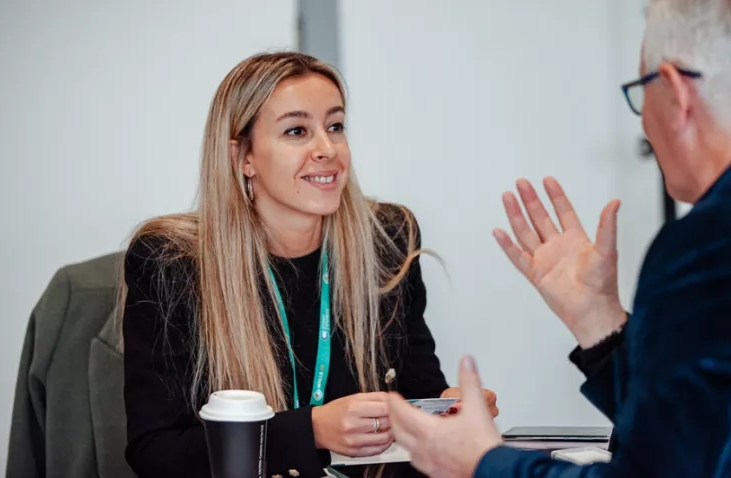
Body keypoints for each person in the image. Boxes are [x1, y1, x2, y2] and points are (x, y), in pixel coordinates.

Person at [387, 0, 731, 476]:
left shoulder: (720, 242)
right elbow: (700, 431)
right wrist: (599, 323)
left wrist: (482, 462)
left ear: (677, 92)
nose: (642, 121)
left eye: (642, 91)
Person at [119, 52, 499, 478]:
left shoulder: (387, 240)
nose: (327, 149)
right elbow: (156, 452)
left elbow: (415, 391)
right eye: (297, 131)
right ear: (243, 156)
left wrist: (446, 411)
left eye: (335, 127)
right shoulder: (170, 261)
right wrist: (311, 431)